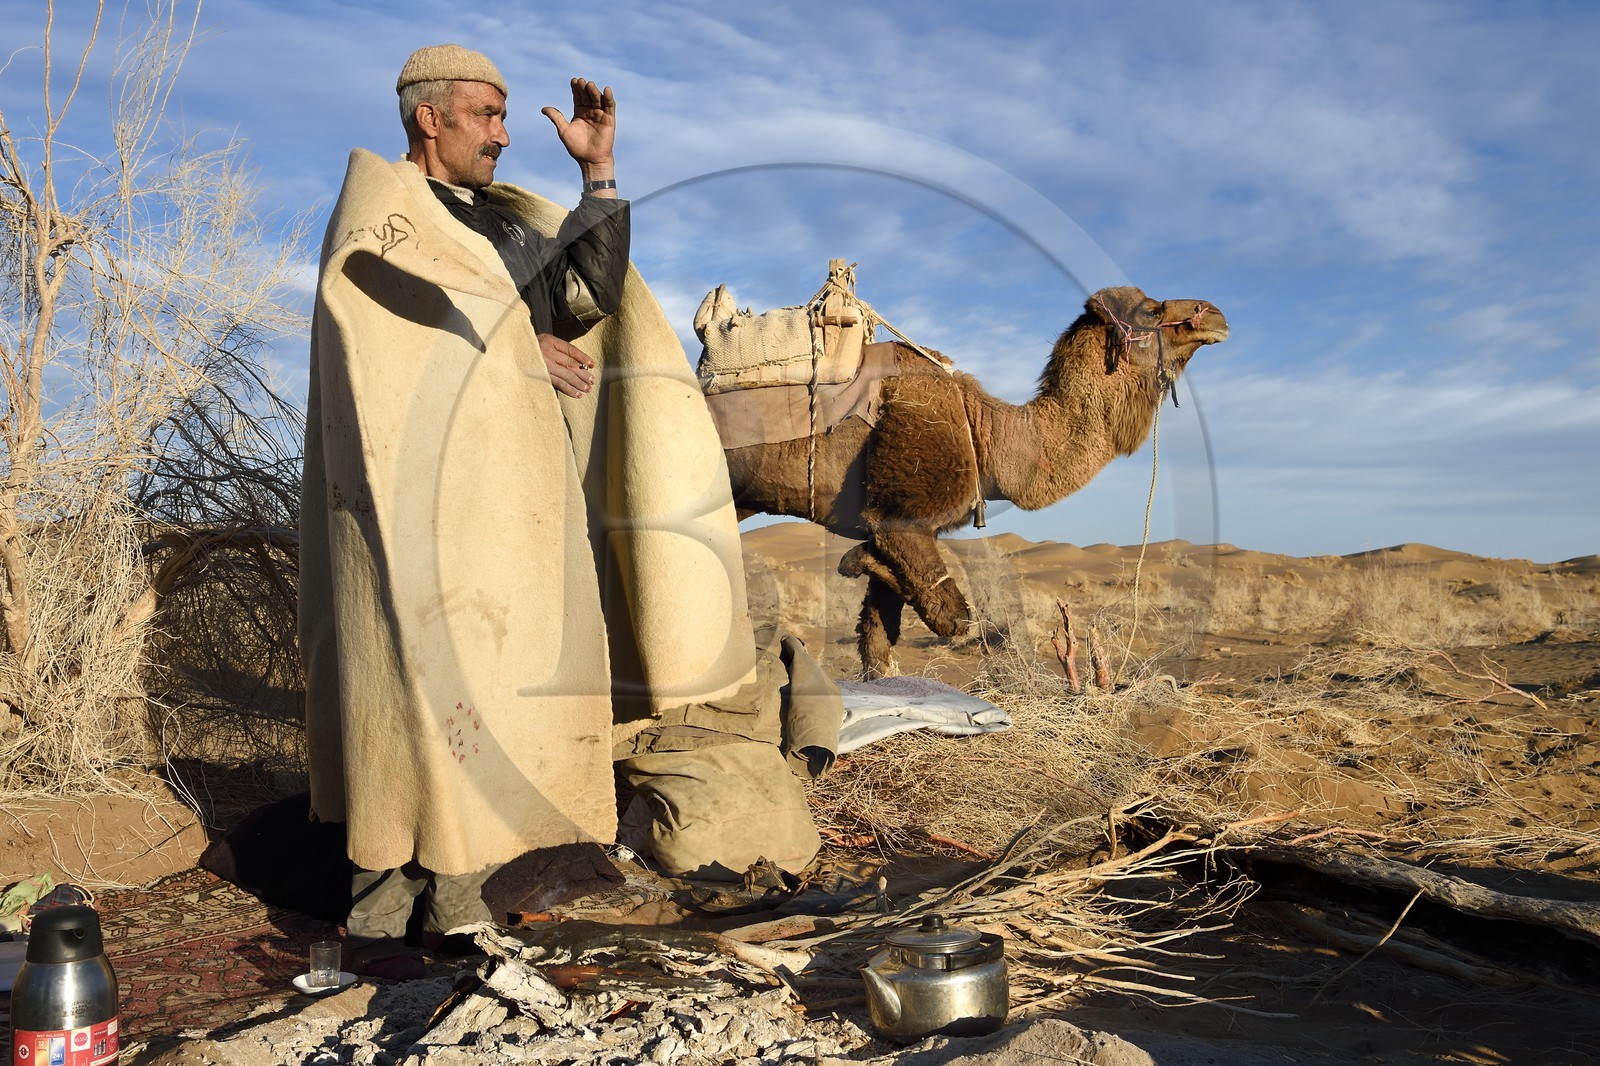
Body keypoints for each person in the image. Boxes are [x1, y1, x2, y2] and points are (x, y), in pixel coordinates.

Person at [298, 44, 784, 972]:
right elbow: (388, 351)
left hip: (507, 514)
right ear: (427, 118)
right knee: (409, 700)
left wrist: (598, 175)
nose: (507, 133)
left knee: (494, 704)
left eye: (505, 114)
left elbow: (579, 301)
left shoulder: (499, 223)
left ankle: (456, 919)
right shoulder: (383, 218)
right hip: (410, 526)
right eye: (486, 114)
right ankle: (378, 932)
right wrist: (518, 352)